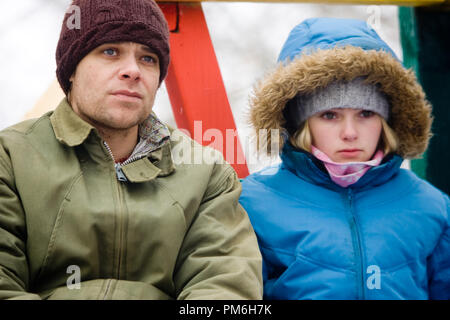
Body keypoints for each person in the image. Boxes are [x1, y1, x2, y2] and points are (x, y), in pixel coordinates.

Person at [0, 0, 262, 300]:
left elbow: (225, 288)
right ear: (72, 68)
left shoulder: (206, 173)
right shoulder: (10, 157)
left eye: (148, 58)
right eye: (110, 51)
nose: (133, 70)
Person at [239, 18, 449, 300]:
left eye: (366, 114)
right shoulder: (252, 203)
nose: (350, 133)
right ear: (301, 123)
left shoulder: (432, 206)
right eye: (329, 115)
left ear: (387, 121)